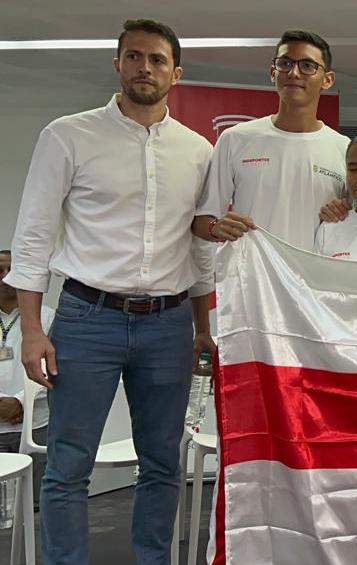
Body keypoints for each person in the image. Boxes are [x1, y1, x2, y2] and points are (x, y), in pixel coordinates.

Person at [3, 19, 215, 564]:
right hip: (86, 318)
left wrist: (201, 328)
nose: (146, 68)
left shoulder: (197, 151)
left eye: (158, 59)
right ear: (118, 64)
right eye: (135, 57)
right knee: (70, 466)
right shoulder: (69, 135)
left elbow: (199, 250)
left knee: (163, 464)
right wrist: (31, 330)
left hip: (168, 325)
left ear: (177, 72)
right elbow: (32, 235)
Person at [193, 29, 349, 248]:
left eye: (307, 66)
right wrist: (215, 227)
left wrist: (345, 214)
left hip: (315, 280)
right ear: (272, 72)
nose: (294, 73)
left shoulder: (344, 148)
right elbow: (202, 220)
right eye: (285, 63)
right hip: (250, 280)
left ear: (328, 79)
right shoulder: (235, 139)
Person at [0, 250, 53, 513]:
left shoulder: (47, 317)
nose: (6, 276)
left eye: (12, 269)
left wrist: (20, 401)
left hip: (36, 423)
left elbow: (54, 368)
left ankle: (34, 556)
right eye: (0, 270)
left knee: (38, 507)